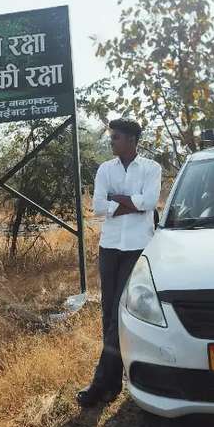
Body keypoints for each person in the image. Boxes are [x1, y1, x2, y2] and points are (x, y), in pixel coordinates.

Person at [77, 117, 162, 408]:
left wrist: (118, 200)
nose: (110, 141)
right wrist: (130, 203)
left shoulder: (151, 168)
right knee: (108, 313)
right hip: (110, 247)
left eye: (115, 138)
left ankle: (101, 382)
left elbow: (149, 202)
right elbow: (98, 206)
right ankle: (114, 383)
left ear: (131, 140)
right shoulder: (105, 169)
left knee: (118, 313)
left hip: (138, 247)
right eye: (111, 137)